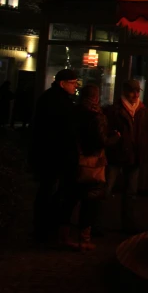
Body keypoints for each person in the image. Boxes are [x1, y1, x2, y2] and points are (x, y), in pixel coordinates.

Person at [59, 84, 116, 251]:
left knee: (69, 201)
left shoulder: (72, 112)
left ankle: (64, 237)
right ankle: (84, 239)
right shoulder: (96, 116)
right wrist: (114, 138)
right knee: (89, 203)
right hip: (91, 165)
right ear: (96, 97)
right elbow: (100, 141)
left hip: (71, 162)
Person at [29, 69, 78, 243]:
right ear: (62, 83)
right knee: (50, 192)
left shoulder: (53, 98)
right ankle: (45, 230)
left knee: (48, 191)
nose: (75, 86)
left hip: (51, 155)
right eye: (72, 83)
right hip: (54, 155)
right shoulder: (57, 101)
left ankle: (44, 228)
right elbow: (59, 131)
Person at [104, 79, 148, 234]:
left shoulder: (141, 110)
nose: (135, 94)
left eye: (137, 91)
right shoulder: (115, 110)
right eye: (132, 91)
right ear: (125, 91)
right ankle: (98, 223)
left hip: (133, 155)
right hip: (117, 154)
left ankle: (127, 224)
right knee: (107, 188)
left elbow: (143, 133)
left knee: (131, 192)